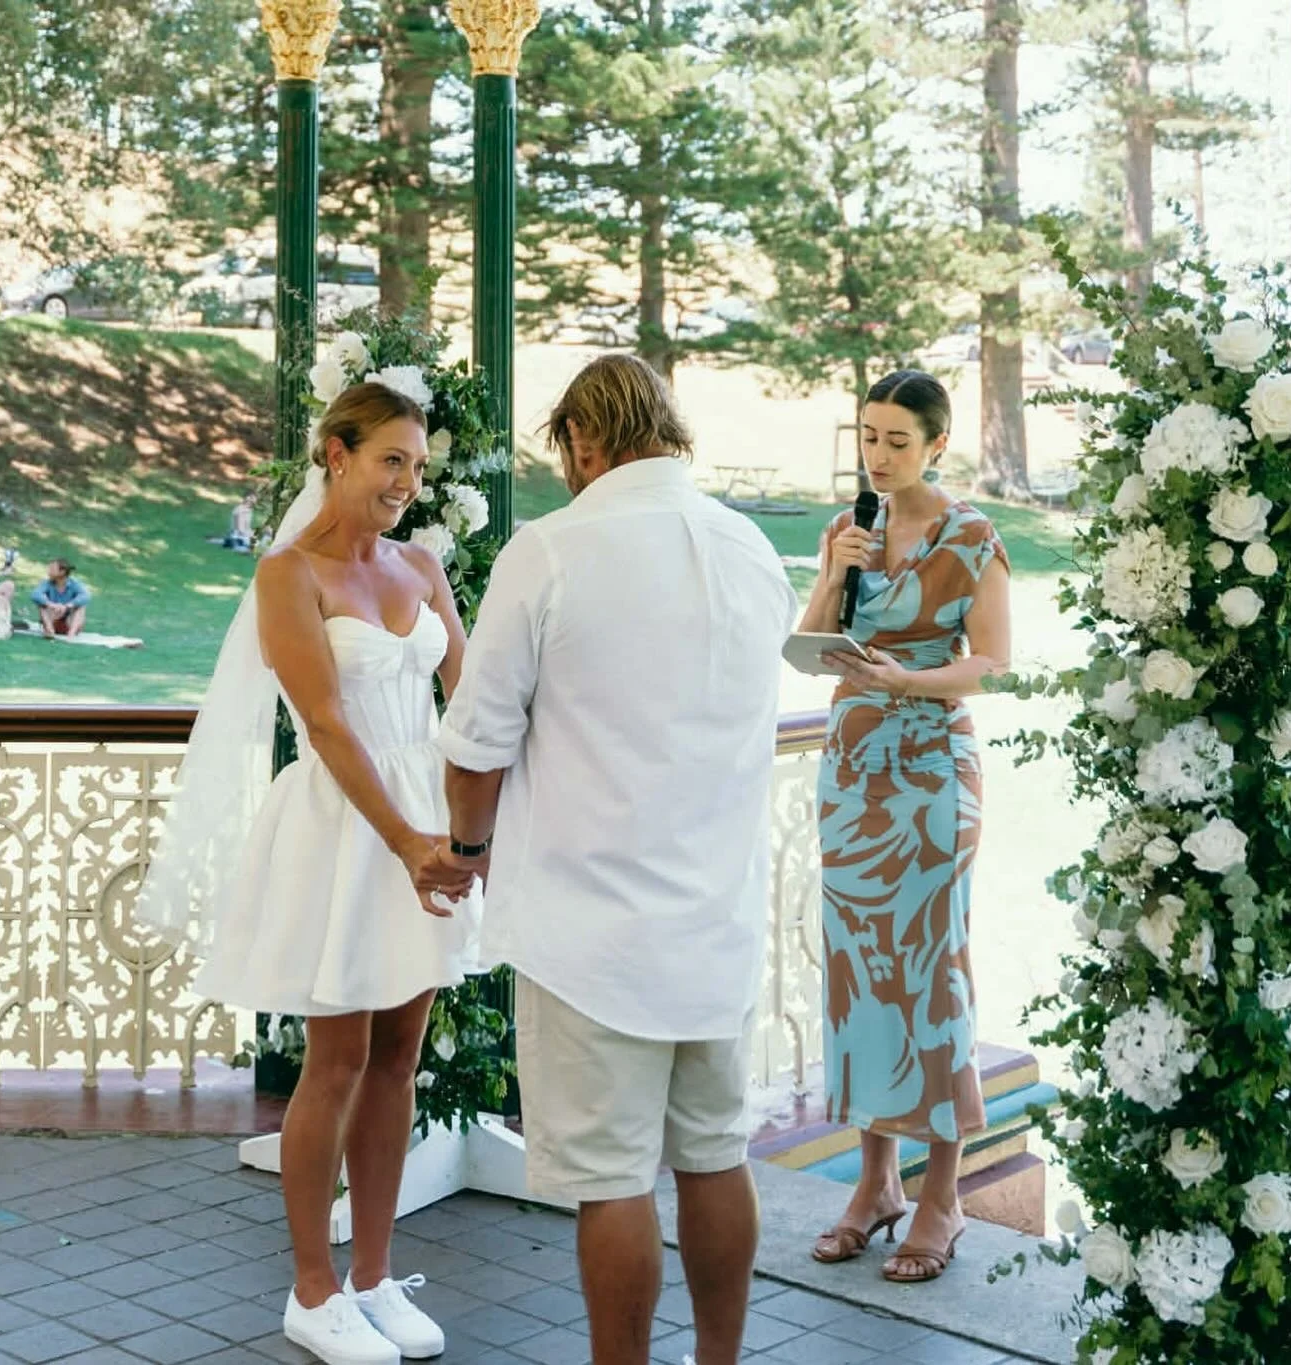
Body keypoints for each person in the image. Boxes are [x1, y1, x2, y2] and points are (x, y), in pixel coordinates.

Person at [432, 354, 797, 1365]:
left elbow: (476, 743)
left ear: (584, 440)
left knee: (614, 1181)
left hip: (591, 930)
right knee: (716, 1159)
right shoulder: (753, 549)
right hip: (714, 919)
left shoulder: (553, 550)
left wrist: (466, 852)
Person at [136, 383, 479, 1365]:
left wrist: (466, 830)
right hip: (345, 830)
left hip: (426, 825)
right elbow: (325, 725)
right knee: (335, 1061)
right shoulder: (289, 575)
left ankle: (374, 1275)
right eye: (390, 462)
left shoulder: (423, 565)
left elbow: (473, 694)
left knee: (402, 1054)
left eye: (418, 467)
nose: (407, 485)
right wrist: (407, 841)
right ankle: (312, 1290)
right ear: (336, 453)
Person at [799, 370, 1011, 1284]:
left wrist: (907, 683)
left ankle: (943, 1194)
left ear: (936, 444)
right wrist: (834, 571)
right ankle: (876, 1182)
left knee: (929, 970)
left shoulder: (972, 538)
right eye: (866, 437)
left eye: (895, 440)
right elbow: (808, 648)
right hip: (850, 774)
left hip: (930, 774)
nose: (877, 455)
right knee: (859, 972)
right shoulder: (849, 529)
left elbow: (993, 663)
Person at [31, 559, 91, 638]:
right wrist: (52, 604)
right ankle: (49, 630)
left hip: (69, 620)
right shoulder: (47, 583)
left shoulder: (74, 583)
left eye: (52, 569)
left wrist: (68, 606)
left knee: (81, 606)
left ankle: (71, 633)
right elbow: (35, 594)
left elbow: (86, 596)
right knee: (41, 604)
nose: (49, 571)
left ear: (62, 572)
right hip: (54, 617)